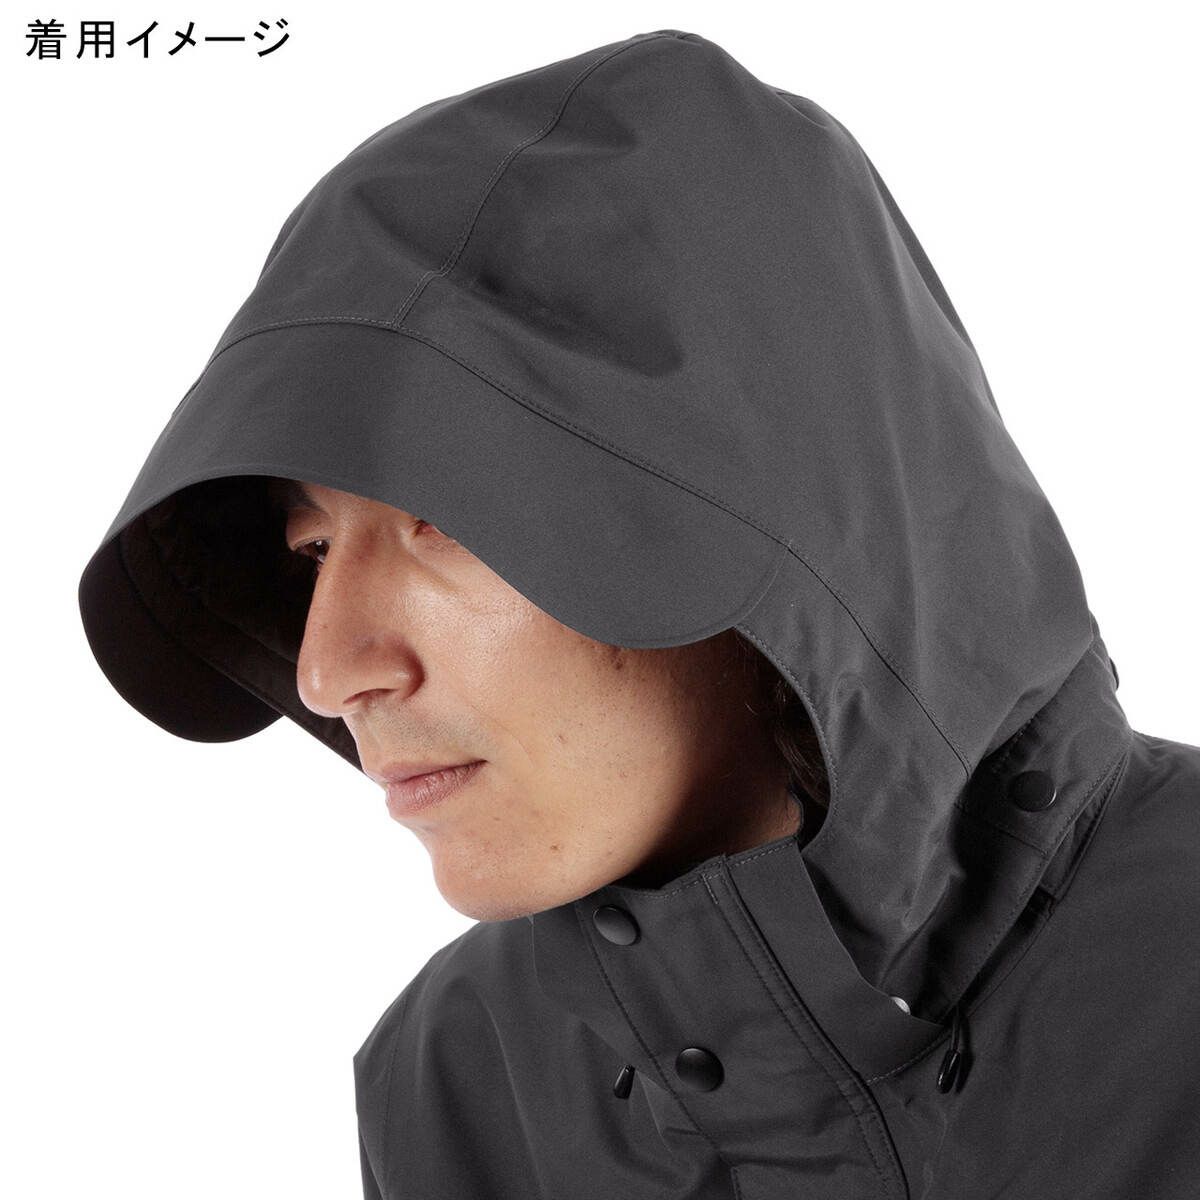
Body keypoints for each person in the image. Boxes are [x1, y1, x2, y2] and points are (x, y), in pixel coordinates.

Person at [77, 28, 1200, 1200]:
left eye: (440, 520)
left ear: (761, 507)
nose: (324, 672)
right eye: (311, 550)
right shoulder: (458, 1081)